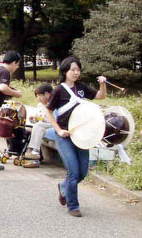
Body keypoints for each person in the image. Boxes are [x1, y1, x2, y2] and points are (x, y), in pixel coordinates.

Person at [46, 56, 107, 217]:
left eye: (78, 69)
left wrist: (102, 84)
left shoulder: (81, 88)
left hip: (81, 136)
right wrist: (58, 130)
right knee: (73, 172)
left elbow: (100, 96)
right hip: (65, 136)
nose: (76, 72)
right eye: (72, 69)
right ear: (65, 71)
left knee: (82, 172)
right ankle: (73, 206)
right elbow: (49, 111)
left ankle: (63, 187)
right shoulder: (59, 90)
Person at [23, 83, 53, 165]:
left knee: (39, 126)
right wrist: (33, 119)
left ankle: (34, 150)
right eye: (37, 96)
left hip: (53, 125)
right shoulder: (39, 105)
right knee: (35, 126)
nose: (38, 98)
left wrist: (41, 121)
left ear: (47, 94)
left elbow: (54, 119)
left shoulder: (53, 104)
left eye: (40, 95)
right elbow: (37, 120)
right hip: (42, 125)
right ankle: (33, 153)